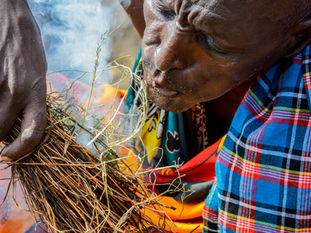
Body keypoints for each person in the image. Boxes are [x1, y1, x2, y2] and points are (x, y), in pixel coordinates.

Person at [1, 0, 311, 232]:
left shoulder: (298, 128)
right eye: (163, 10)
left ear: (298, 36)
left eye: (211, 42)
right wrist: (12, 18)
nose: (163, 58)